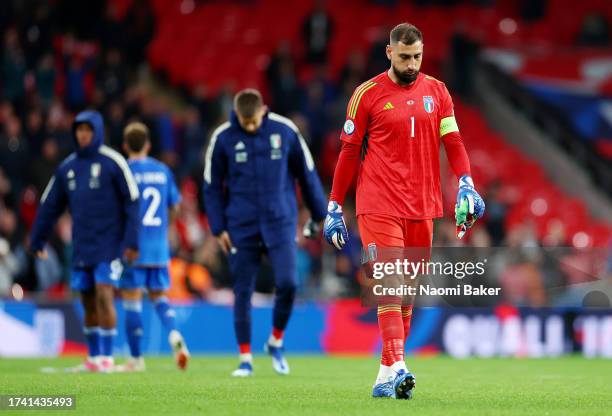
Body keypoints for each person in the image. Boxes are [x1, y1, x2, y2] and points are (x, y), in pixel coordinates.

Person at [322, 23, 485, 399]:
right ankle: (399, 367)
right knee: (390, 286)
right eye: (405, 57)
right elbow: (348, 152)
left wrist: (465, 181)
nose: (412, 64)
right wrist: (333, 205)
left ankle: (384, 374)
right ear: (389, 53)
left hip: (423, 207)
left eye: (417, 57)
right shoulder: (367, 95)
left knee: (407, 295)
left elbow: (453, 140)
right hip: (378, 204)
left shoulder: (438, 92)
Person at [204, 89, 327, 377]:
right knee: (242, 292)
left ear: (263, 110)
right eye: (244, 122)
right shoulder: (223, 137)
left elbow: (307, 174)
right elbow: (211, 186)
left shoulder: (285, 131)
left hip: (279, 222)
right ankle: (245, 358)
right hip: (240, 226)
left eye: (254, 121)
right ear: (237, 115)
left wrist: (319, 214)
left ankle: (276, 340)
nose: (250, 127)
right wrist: (218, 227)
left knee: (288, 284)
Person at [30, 110, 140, 372]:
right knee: (88, 300)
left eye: (88, 130)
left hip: (109, 245)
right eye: (79, 130)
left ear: (98, 132)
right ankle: (93, 358)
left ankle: (107, 358)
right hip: (82, 244)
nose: (83, 135)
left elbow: (132, 201)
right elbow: (49, 205)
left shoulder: (113, 162)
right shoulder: (67, 167)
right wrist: (38, 239)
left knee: (104, 294)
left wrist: (132, 242)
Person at [116, 122, 190, 372]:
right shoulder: (163, 171)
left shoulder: (123, 170)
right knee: (159, 296)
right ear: (148, 145)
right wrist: (164, 229)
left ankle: (136, 359)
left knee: (132, 301)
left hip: (133, 246)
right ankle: (173, 333)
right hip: (159, 246)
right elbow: (175, 206)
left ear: (125, 146)